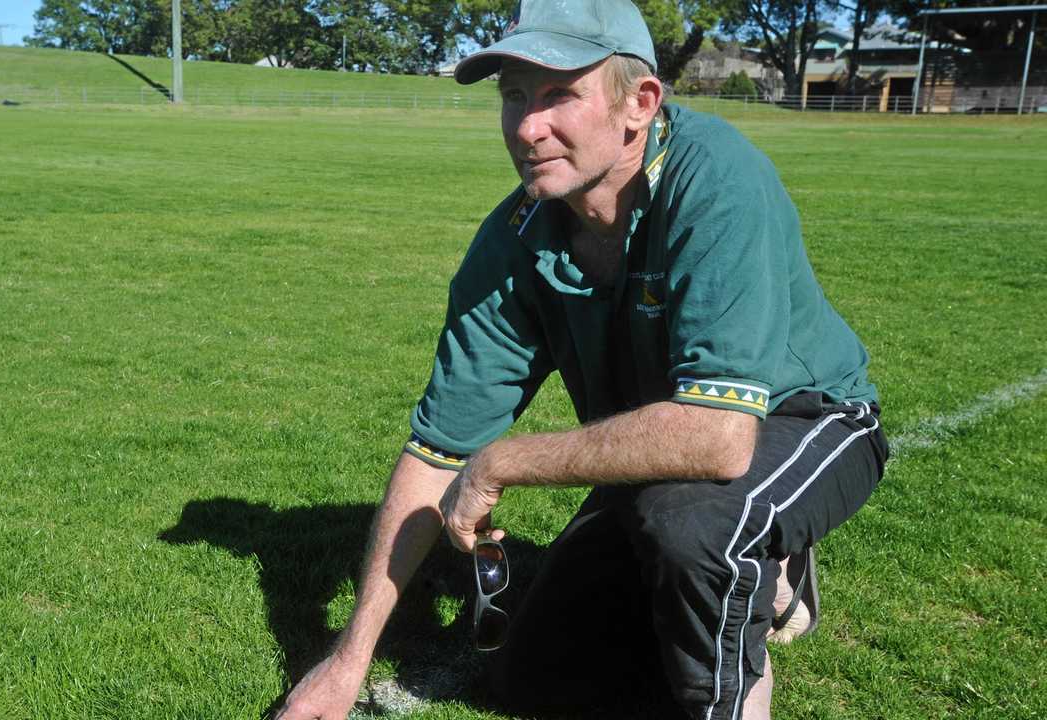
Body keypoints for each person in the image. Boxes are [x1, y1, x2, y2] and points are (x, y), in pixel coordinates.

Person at [274, 0, 889, 718]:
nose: (528, 128)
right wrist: (346, 660)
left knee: (695, 523)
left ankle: (756, 600)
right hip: (660, 455)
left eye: (559, 94)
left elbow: (720, 439)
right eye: (513, 97)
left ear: (641, 103)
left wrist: (502, 462)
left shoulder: (717, 179)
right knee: (533, 677)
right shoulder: (514, 240)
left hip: (805, 417)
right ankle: (755, 571)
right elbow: (438, 450)